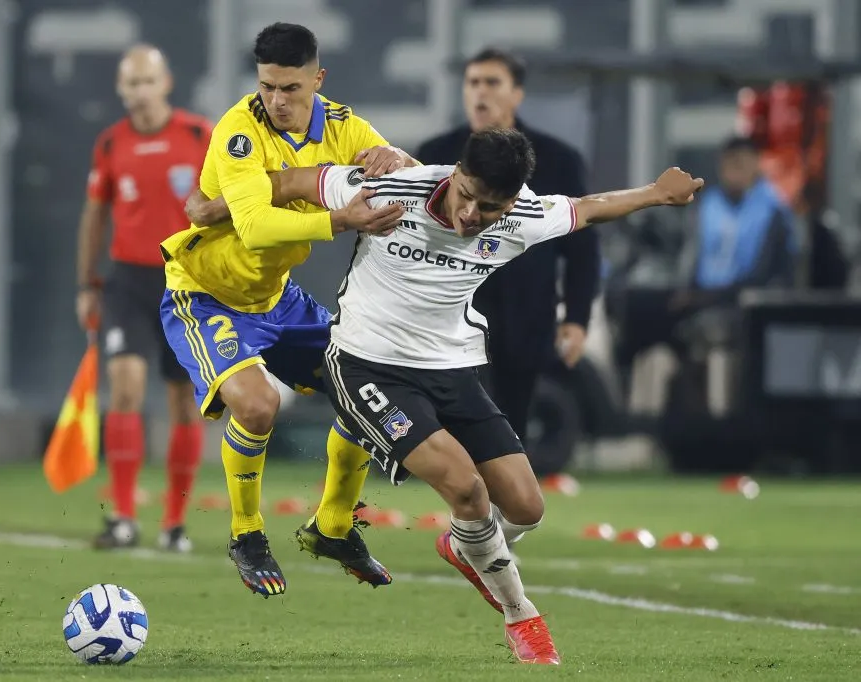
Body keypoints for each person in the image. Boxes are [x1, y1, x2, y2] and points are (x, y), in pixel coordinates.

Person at [260, 128, 702, 663]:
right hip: (365, 366)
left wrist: (657, 193)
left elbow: (588, 209)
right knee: (467, 491)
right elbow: (284, 182)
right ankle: (523, 617)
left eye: (489, 207)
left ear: (513, 202)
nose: (471, 213)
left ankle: (462, 544)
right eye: (465, 194)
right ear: (454, 173)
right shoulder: (389, 189)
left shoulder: (522, 218)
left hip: (453, 370)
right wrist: (215, 209)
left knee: (526, 507)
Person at [159, 22, 416, 597]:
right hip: (205, 294)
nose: (276, 100)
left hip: (277, 299)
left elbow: (411, 177)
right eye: (267, 86)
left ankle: (332, 525)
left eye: (290, 88)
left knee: (362, 381)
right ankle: (247, 532)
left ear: (317, 81)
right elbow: (254, 226)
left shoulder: (343, 125)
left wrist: (396, 155)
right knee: (257, 404)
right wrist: (341, 219)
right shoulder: (239, 131)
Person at [416, 47, 600, 455]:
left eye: (492, 83)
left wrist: (577, 319)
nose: (481, 93)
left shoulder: (558, 159)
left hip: (526, 308)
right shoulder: (434, 155)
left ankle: (502, 508)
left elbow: (582, 249)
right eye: (473, 83)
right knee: (453, 415)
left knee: (512, 420)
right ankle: (463, 503)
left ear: (517, 94)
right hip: (451, 309)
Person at [77, 45, 211, 552]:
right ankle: (124, 519)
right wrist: (88, 283)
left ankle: (174, 525)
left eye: (146, 81)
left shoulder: (200, 135)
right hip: (128, 281)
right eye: (130, 83)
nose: (138, 91)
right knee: (126, 387)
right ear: (120, 88)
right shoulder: (111, 144)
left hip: (185, 281)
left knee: (183, 402)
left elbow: (230, 205)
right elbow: (94, 216)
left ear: (166, 82)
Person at [613, 135, 797, 380]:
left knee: (699, 323)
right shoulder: (709, 205)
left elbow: (763, 275)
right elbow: (692, 259)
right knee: (636, 308)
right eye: (728, 165)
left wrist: (703, 297)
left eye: (740, 164)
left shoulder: (772, 211)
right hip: (701, 298)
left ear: (755, 165)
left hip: (741, 302)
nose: (733, 172)